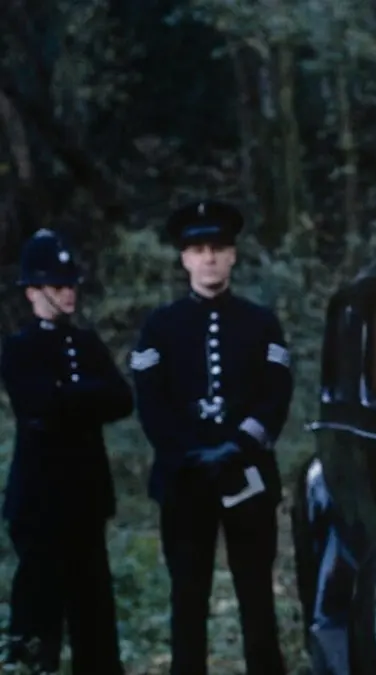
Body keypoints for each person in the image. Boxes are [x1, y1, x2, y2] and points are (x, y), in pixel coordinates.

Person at [129, 200, 292, 675]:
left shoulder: (261, 322)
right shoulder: (159, 327)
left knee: (256, 596)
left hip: (247, 476)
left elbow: (277, 394)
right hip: (184, 481)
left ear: (233, 255)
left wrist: (239, 445)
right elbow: (150, 403)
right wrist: (189, 453)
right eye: (199, 250)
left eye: (218, 248)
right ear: (184, 259)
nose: (209, 258)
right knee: (188, 597)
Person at [1, 229, 130, 674]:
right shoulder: (18, 348)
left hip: (86, 500)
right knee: (39, 615)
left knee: (94, 614)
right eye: (57, 286)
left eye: (71, 284)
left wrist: (69, 394)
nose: (68, 294)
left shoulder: (88, 344)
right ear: (33, 292)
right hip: (39, 502)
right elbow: (38, 405)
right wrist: (81, 396)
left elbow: (121, 399)